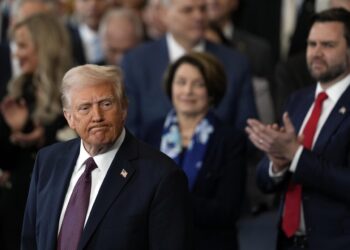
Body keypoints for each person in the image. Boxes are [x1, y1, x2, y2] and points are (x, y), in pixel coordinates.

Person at [21, 64, 193, 250]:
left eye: (106, 104)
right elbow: (30, 241)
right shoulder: (48, 161)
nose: (97, 116)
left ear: (124, 109)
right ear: (69, 118)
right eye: (85, 108)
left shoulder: (161, 176)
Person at [246, 8, 350, 250]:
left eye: (328, 45)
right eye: (311, 44)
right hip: (288, 242)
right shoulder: (298, 100)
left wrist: (296, 155)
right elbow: (264, 181)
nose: (316, 53)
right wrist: (276, 163)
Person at [144, 52, 246, 250]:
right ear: (170, 86)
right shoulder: (150, 133)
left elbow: (228, 210)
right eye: (181, 82)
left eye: (198, 84)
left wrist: (169, 199)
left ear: (212, 91)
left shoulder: (230, 140)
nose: (187, 91)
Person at [121, 0, 257, 140]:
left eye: (203, 9)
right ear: (164, 13)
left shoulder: (236, 63)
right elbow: (129, 130)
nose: (198, 16)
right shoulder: (136, 62)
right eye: (188, 10)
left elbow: (247, 133)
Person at [0, 13, 73, 250]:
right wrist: (19, 130)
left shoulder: (75, 92)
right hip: (16, 209)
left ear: (44, 46)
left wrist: (41, 137)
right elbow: (6, 162)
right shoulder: (16, 93)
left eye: (22, 46)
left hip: (59, 206)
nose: (15, 54)